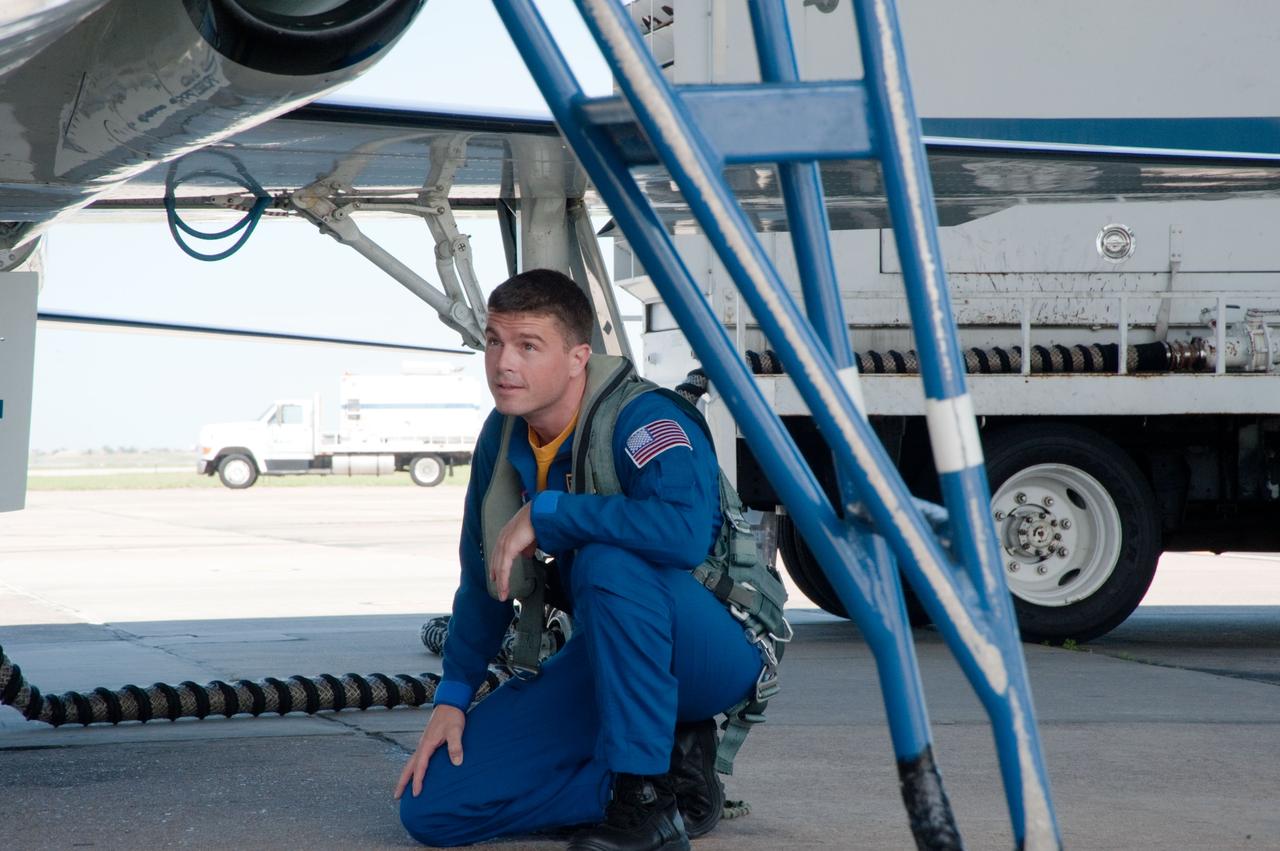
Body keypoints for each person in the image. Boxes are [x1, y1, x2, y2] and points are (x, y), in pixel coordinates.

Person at [395, 268, 767, 850]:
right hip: (606, 654)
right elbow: (482, 579)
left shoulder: (644, 421)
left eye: (528, 346)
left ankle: (642, 805)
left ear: (577, 357)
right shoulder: (503, 438)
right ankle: (667, 780)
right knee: (432, 809)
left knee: (607, 561)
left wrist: (550, 514)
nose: (503, 364)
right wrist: (453, 696)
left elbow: (684, 533)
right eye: (494, 341)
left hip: (706, 652)